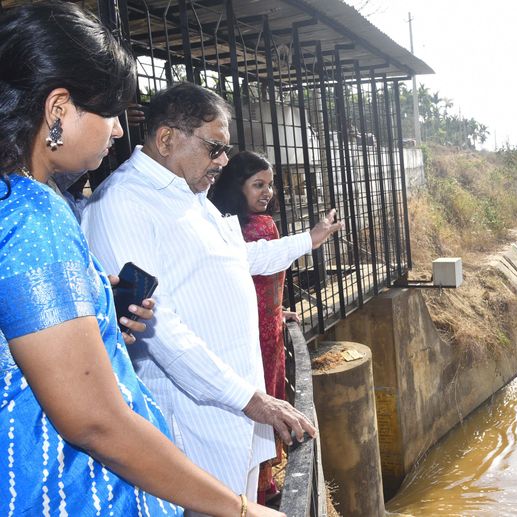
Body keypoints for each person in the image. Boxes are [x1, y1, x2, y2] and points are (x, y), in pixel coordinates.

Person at [0, 3, 281, 515]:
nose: (115, 131)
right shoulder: (35, 213)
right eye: (108, 113)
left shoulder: (23, 200)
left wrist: (95, 309)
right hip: (67, 489)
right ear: (58, 109)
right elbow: (94, 419)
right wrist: (240, 509)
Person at [81, 82, 343, 506]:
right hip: (193, 417)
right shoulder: (123, 204)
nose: (223, 162)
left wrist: (309, 240)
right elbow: (157, 326)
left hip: (236, 409)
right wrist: (248, 398)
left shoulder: (190, 196)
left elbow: (239, 257)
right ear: (167, 139)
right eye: (214, 148)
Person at [209, 151, 296, 501]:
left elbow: (265, 280)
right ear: (236, 186)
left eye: (270, 184)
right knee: (264, 403)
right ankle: (262, 489)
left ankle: (256, 487)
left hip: (261, 328)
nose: (267, 192)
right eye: (258, 184)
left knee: (259, 405)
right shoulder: (256, 227)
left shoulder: (227, 225)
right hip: (259, 335)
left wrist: (278, 308)